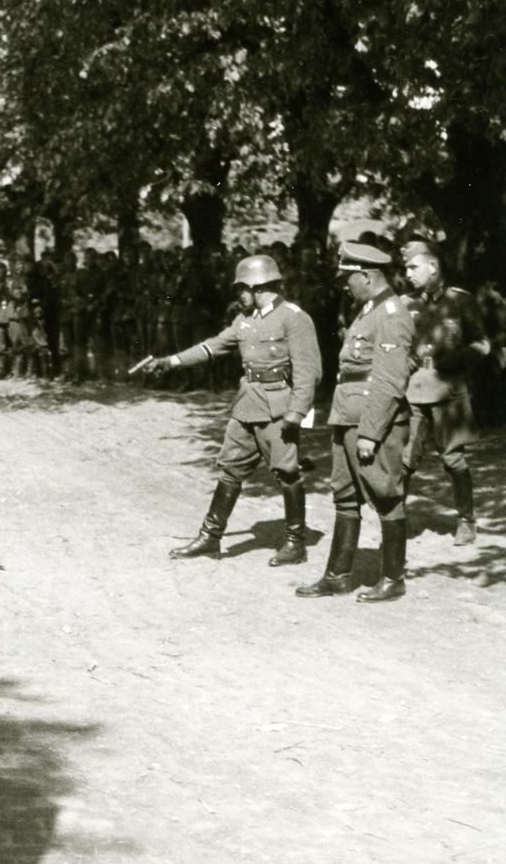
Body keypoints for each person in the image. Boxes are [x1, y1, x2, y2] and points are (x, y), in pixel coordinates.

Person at [147, 255, 323, 566]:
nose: (238, 295)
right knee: (230, 468)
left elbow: (310, 372)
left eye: (241, 289)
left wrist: (296, 413)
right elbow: (212, 346)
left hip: (278, 409)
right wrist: (170, 361)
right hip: (247, 405)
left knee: (287, 472)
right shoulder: (245, 320)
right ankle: (210, 537)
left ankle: (296, 543)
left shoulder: (293, 318)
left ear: (257, 287)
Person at [297, 240, 414, 602]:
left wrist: (370, 432)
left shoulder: (392, 315)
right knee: (345, 496)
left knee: (384, 495)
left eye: (348, 277)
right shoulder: (368, 310)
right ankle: (337, 575)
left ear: (366, 275)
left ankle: (393, 578)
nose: (344, 284)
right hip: (348, 416)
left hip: (369, 422)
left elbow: (390, 381)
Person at [400, 238, 490, 545]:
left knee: (452, 460)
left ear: (433, 267)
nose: (408, 273)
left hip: (447, 390)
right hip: (413, 389)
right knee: (406, 455)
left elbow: (482, 343)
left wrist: (458, 360)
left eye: (413, 267)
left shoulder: (460, 301)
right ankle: (395, 517)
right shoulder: (405, 304)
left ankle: (466, 519)